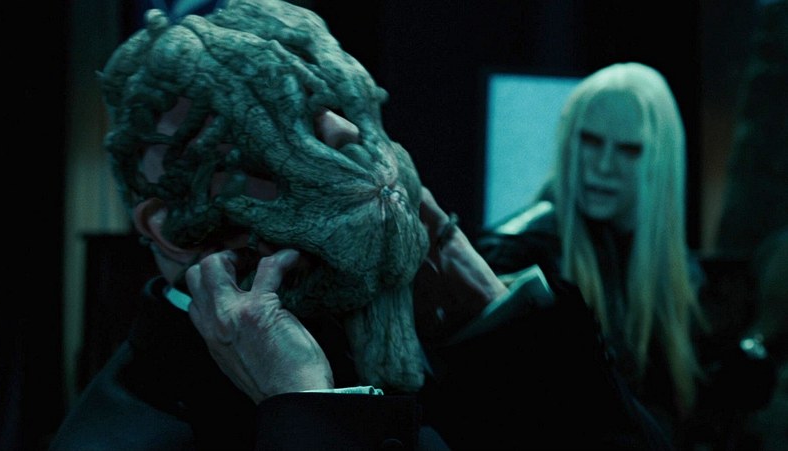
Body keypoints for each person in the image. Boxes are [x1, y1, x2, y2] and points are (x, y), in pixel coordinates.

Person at [50, 2, 672, 449]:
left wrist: (497, 320)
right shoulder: (126, 433)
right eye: (277, 118)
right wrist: (309, 415)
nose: (346, 133)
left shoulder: (426, 365)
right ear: (170, 226)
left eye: (339, 105)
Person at [477, 62, 775, 449]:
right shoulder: (520, 255)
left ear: (660, 158)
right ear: (569, 141)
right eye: (590, 141)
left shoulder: (680, 276)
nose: (603, 166)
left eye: (629, 149)